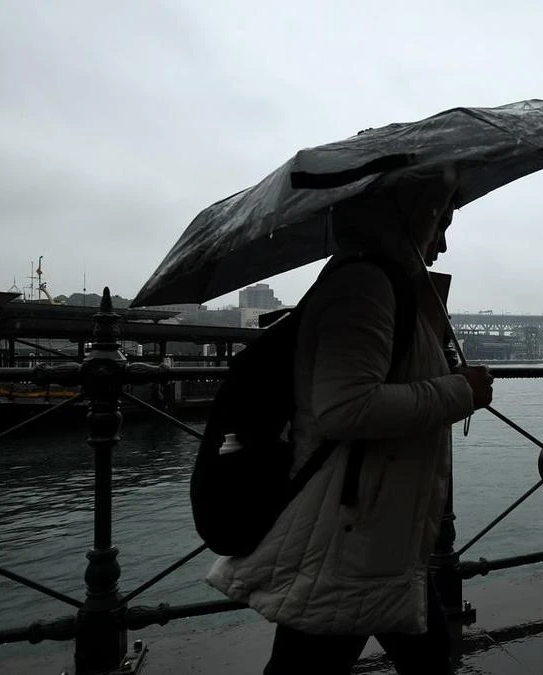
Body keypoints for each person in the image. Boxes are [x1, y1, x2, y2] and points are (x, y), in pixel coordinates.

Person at [206, 174, 493, 674]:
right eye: (439, 220)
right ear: (406, 213)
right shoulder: (366, 284)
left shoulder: (386, 284)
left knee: (424, 654)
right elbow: (346, 408)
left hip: (376, 525)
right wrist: (460, 391)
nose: (443, 243)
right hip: (352, 527)